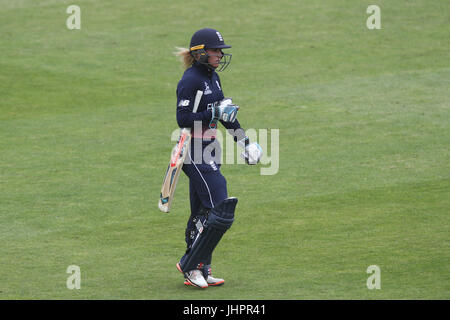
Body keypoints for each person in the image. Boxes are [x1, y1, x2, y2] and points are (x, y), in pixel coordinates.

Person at [173, 28, 263, 288]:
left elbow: (226, 115)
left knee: (201, 210)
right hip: (194, 150)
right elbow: (183, 119)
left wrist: (244, 142)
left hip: (210, 147)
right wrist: (213, 110)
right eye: (215, 51)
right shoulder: (190, 80)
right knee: (219, 206)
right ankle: (190, 264)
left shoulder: (212, 78)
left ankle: (200, 268)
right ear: (200, 53)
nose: (220, 55)